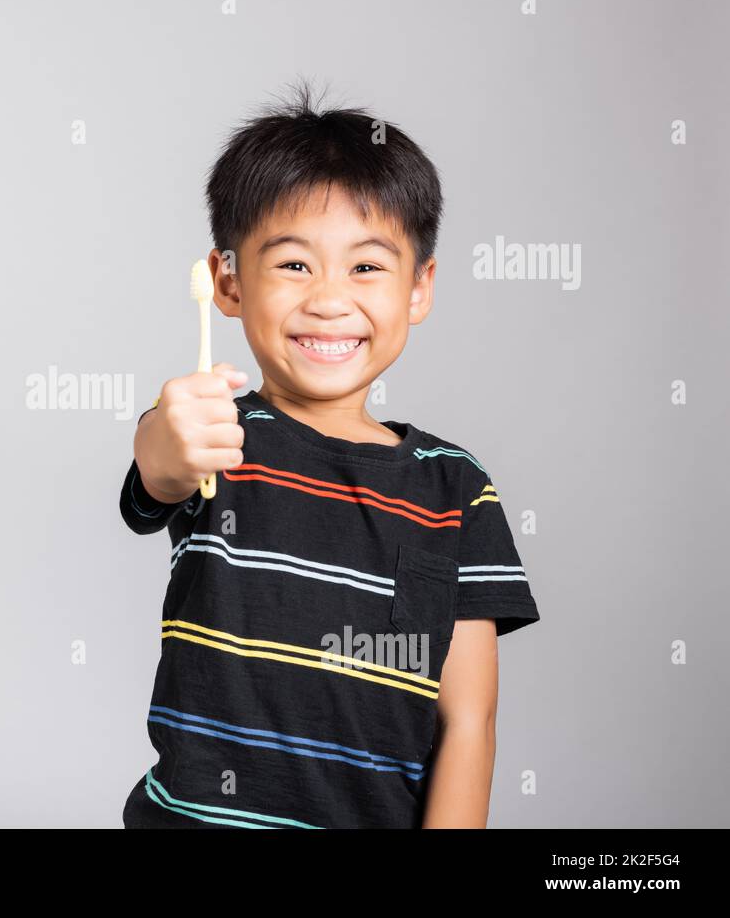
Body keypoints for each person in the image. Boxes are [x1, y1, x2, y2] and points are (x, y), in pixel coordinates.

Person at [120, 82, 540, 828]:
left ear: (420, 288)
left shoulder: (457, 489)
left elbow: (467, 724)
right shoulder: (215, 430)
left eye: (367, 267)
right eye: (292, 265)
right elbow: (160, 462)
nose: (329, 300)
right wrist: (172, 432)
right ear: (227, 282)